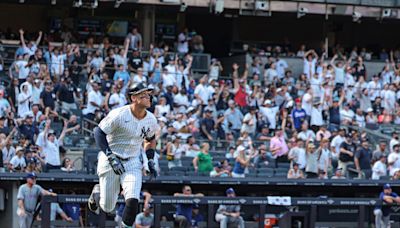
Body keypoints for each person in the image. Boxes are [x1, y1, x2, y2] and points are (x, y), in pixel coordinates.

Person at [88, 83, 159, 228]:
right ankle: (97, 192)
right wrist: (110, 155)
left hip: (132, 160)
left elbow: (150, 140)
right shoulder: (119, 114)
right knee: (108, 207)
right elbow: (98, 132)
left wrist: (150, 160)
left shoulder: (151, 119)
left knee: (133, 199)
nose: (148, 97)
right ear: (134, 98)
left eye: (148, 94)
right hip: (110, 158)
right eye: (143, 95)